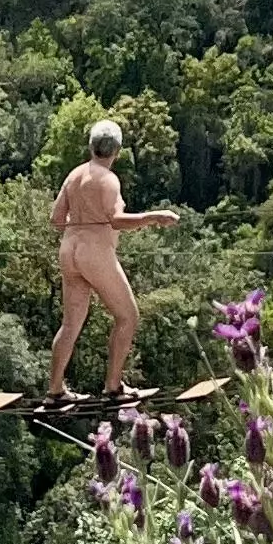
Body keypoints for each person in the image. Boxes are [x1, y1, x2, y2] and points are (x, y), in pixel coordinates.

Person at [47, 118, 179, 405]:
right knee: (127, 317)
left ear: (91, 146)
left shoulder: (74, 175)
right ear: (117, 151)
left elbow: (56, 220)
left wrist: (81, 223)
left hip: (69, 251)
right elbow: (116, 221)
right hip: (95, 254)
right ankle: (113, 386)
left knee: (70, 325)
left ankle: (55, 390)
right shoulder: (108, 179)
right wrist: (154, 217)